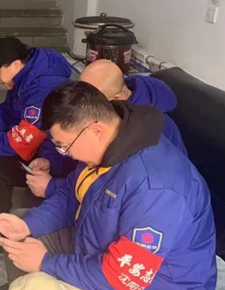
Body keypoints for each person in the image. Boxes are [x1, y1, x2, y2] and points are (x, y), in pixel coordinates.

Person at [0, 82, 217, 290]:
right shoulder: (109, 144)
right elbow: (72, 192)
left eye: (64, 147)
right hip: (99, 244)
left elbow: (123, 277)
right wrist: (27, 225)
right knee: (20, 235)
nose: (66, 154)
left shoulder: (155, 188)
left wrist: (46, 263)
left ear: (95, 130)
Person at [0, 37, 75, 257]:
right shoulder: (28, 77)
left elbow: (24, 139)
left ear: (16, 64)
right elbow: (6, 112)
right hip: (44, 152)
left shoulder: (43, 88)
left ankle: (1, 230)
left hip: (57, 158)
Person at [26, 59, 186, 200]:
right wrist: (52, 162)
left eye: (88, 101)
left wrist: (52, 187)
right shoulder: (110, 111)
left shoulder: (151, 132)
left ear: (116, 99)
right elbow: (80, 156)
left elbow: (111, 192)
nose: (78, 107)